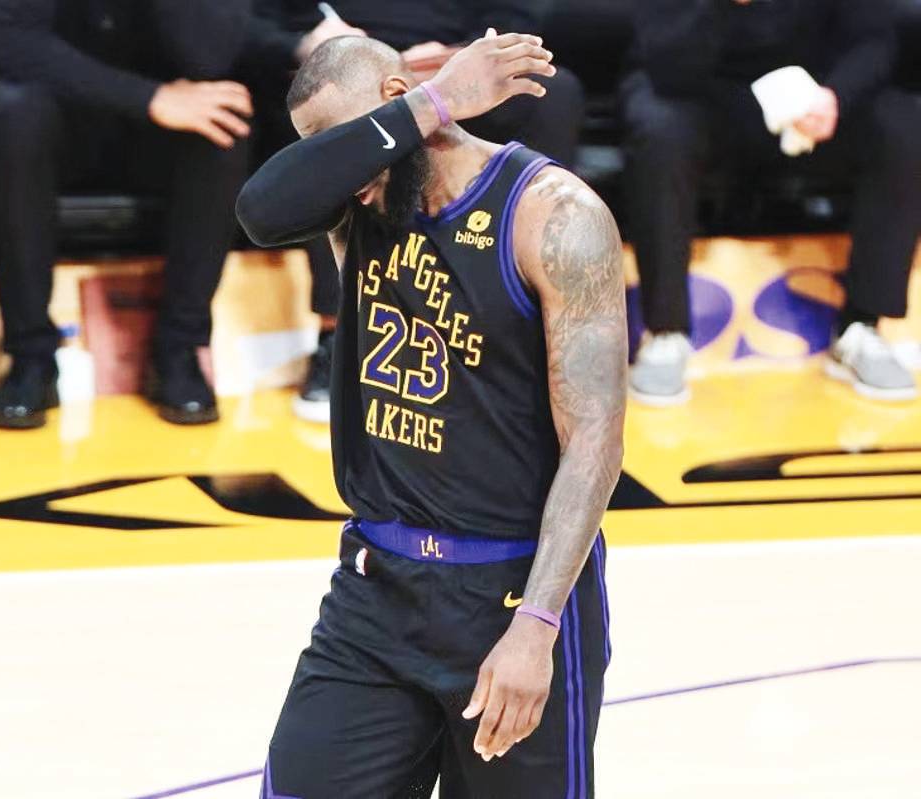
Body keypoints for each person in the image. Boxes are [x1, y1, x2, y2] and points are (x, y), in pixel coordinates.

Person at [237, 33, 625, 796]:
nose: (346, 172)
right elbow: (261, 208)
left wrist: (536, 627)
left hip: (510, 593)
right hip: (376, 593)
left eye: (351, 139)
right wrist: (434, 99)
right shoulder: (357, 210)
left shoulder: (552, 213)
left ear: (387, 101)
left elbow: (595, 444)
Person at [244, 0, 584, 424]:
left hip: (444, 62)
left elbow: (518, 19)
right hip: (339, 71)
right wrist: (304, 43)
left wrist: (458, 57)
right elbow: (255, 21)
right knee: (328, 120)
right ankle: (339, 331)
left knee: (553, 89)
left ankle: (546, 320)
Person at [624, 0, 921, 404]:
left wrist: (837, 97)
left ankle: (861, 325)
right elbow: (666, 64)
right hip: (704, 93)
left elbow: (875, 39)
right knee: (660, 128)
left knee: (901, 123)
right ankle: (665, 332)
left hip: (811, 99)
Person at [0, 0, 254, 429]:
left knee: (223, 125)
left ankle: (180, 348)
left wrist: (162, 99)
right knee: (12, 112)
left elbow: (211, 53)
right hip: (64, 120)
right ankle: (29, 353)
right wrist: (149, 98)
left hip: (157, 136)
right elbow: (18, 49)